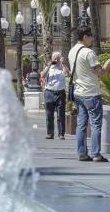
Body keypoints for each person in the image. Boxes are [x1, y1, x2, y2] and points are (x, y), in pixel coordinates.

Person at [68, 26, 110, 161]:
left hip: (79, 92)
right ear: (85, 37)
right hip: (91, 92)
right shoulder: (88, 53)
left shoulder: (71, 51)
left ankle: (82, 153)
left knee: (81, 124)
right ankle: (96, 154)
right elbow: (100, 72)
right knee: (96, 124)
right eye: (90, 36)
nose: (92, 39)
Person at [41, 51, 68, 140]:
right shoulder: (49, 68)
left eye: (58, 58)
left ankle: (61, 134)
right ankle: (50, 133)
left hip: (60, 93)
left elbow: (67, 74)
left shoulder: (62, 67)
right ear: (52, 59)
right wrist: (49, 65)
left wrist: (63, 64)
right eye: (54, 58)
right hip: (49, 92)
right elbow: (42, 76)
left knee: (61, 114)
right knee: (49, 115)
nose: (56, 60)